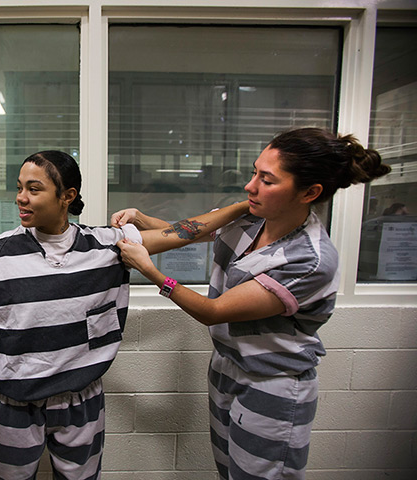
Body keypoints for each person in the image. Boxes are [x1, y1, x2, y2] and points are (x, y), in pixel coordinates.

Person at [113, 127, 391, 480]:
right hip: (228, 368)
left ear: (310, 192)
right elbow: (192, 231)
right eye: (254, 172)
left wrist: (151, 272)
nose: (250, 186)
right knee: (229, 471)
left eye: (267, 179)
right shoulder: (253, 213)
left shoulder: (309, 259)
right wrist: (142, 219)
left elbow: (213, 311)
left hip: (271, 383)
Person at [0, 150, 250, 479]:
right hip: (13, 404)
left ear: (68, 196)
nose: (21, 198)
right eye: (19, 187)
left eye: (34, 189)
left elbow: (183, 232)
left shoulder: (107, 246)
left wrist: (241, 207)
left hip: (82, 401)